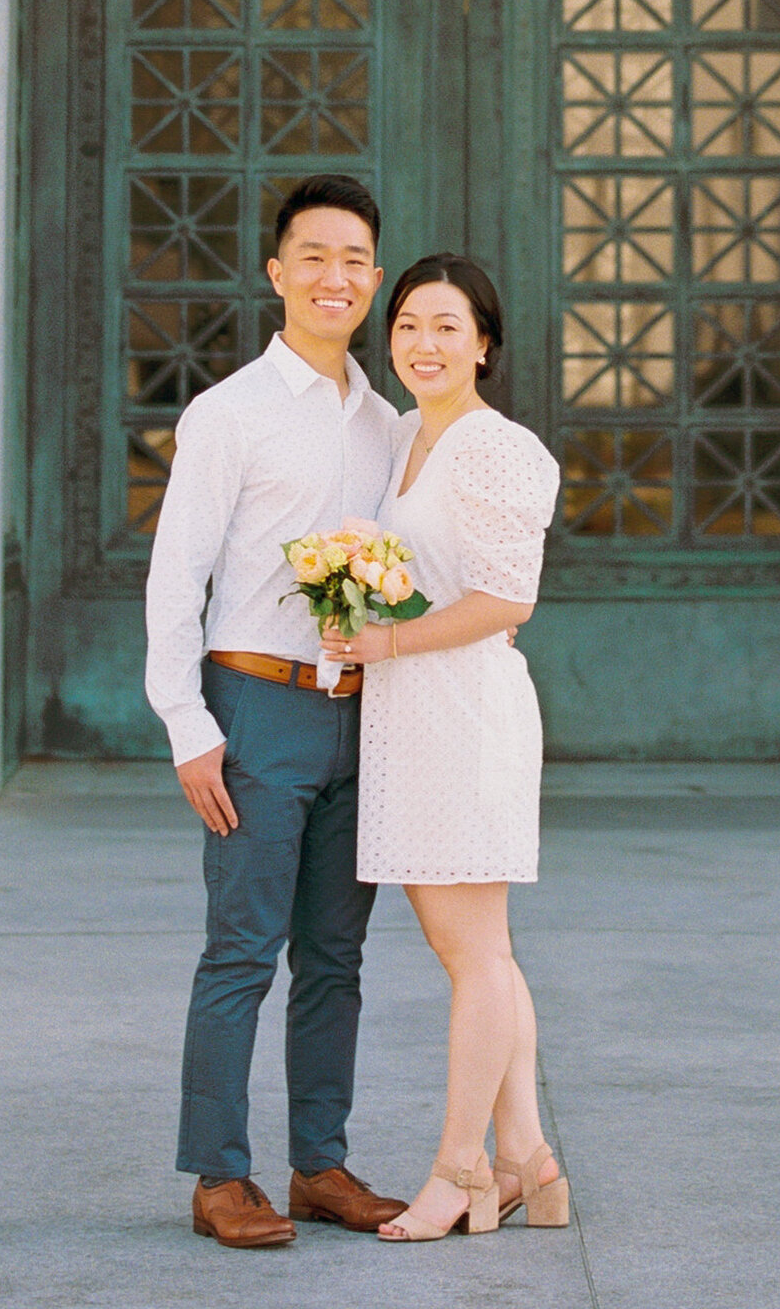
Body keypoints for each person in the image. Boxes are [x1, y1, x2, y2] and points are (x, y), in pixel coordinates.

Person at [143, 176, 412, 1251]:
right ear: (276, 274)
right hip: (253, 709)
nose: (334, 276)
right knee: (241, 951)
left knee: (336, 958)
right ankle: (218, 1176)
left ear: (374, 278)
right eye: (313, 256)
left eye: (353, 258)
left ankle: (319, 1163)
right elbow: (177, 577)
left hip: (362, 716)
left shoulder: (391, 425)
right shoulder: (228, 415)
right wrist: (186, 723)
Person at [318, 254, 570, 1243]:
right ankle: (529, 1161)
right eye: (409, 325)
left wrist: (385, 640)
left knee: (473, 955)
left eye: (447, 327)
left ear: (484, 345)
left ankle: (461, 1168)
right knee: (478, 952)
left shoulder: (491, 448)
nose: (423, 343)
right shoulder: (410, 442)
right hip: (417, 715)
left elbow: (510, 598)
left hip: (465, 717)